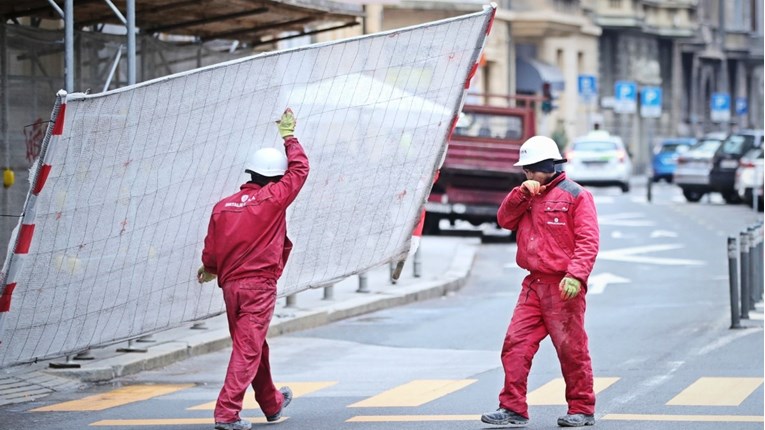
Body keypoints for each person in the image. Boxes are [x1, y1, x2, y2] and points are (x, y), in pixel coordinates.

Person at [197, 108, 309, 430]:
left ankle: (272, 403)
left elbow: (211, 248)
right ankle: (227, 413)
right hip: (258, 286)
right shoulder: (273, 198)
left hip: (231, 287)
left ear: (251, 173)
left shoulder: (223, 206)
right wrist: (289, 136)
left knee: (253, 345)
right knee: (248, 349)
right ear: (275, 177)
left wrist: (208, 269)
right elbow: (300, 170)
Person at [481, 135, 599, 428]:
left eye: (531, 169)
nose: (527, 175)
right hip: (534, 285)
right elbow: (505, 220)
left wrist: (576, 275)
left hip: (563, 288)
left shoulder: (576, 195)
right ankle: (512, 408)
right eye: (525, 170)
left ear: (548, 166)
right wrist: (521, 194)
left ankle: (582, 408)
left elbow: (588, 240)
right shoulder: (525, 195)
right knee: (515, 344)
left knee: (571, 349)